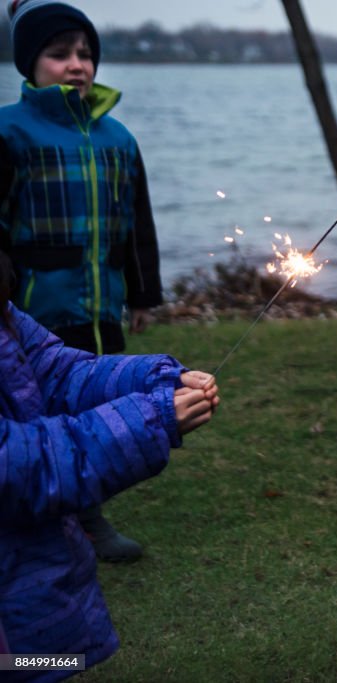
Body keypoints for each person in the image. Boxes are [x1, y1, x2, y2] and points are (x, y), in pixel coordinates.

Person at [0, 250, 219, 681]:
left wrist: (157, 378)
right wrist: (148, 420)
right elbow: (19, 465)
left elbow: (57, 373)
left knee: (37, 664)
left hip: (22, 585)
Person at [0, 0, 165, 562]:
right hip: (33, 309)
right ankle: (63, 518)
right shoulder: (9, 132)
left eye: (85, 54)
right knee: (38, 417)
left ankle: (87, 515)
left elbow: (137, 223)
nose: (76, 65)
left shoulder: (117, 137)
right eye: (59, 54)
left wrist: (142, 295)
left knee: (94, 409)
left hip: (102, 307)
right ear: (30, 64)